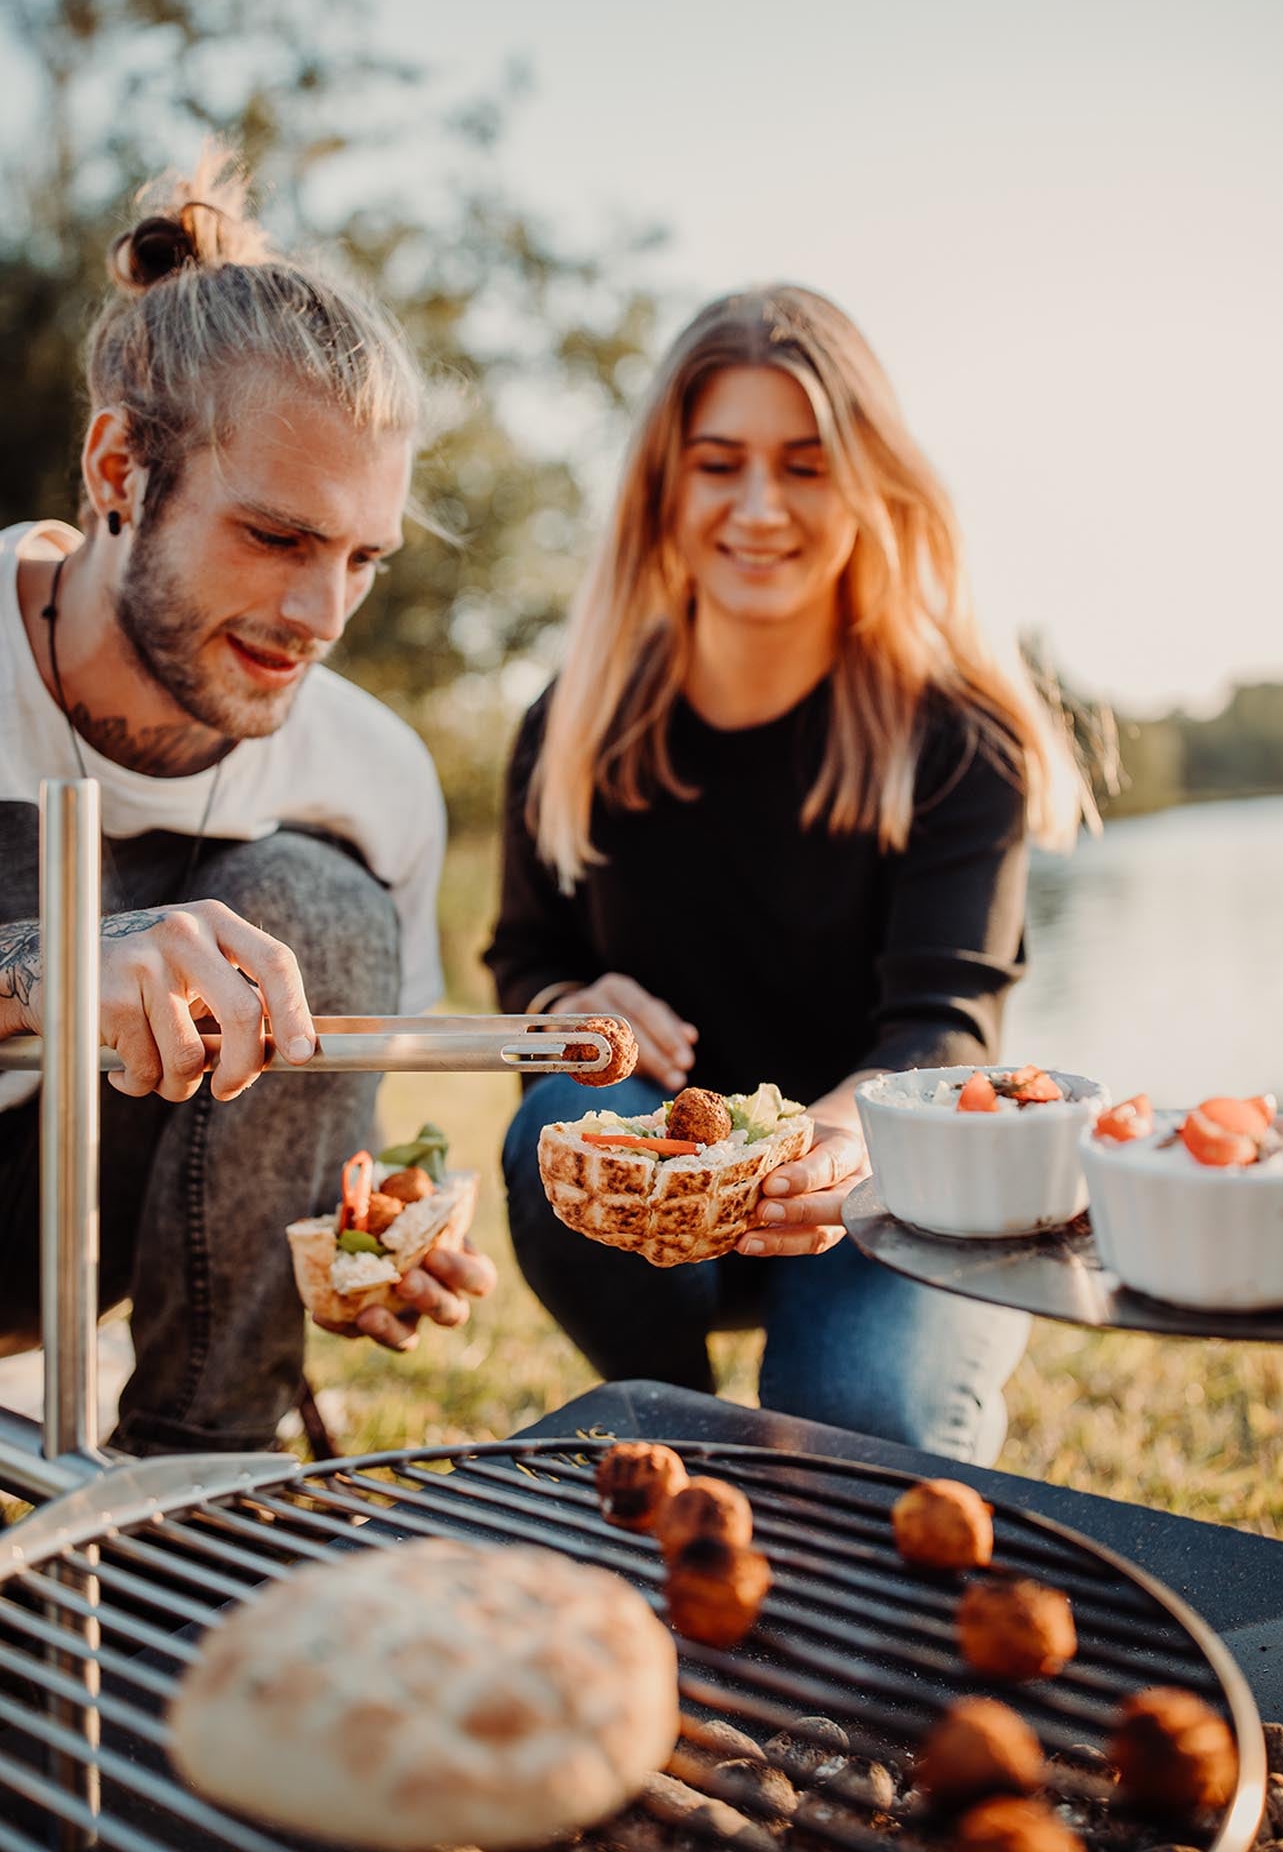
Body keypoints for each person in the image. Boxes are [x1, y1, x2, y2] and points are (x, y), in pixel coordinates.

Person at [486, 285, 1084, 1462]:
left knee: (857, 1432)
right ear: (667, 484)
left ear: (868, 482)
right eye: (720, 463)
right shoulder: (573, 723)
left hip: (889, 1187)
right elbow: (526, 957)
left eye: (806, 465)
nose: (759, 507)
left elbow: (944, 1027)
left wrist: (833, 1141)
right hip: (665, 1199)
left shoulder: (960, 734)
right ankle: (671, 1425)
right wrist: (566, 1012)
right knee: (561, 1106)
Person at [0, 151, 494, 1457]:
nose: (320, 617)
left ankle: (194, 1490)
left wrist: (385, 1220)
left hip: (88, 1229)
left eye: (360, 559)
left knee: (319, 910)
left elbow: (354, 1122)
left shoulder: (371, 777)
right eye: (277, 538)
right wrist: (49, 971)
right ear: (118, 470)